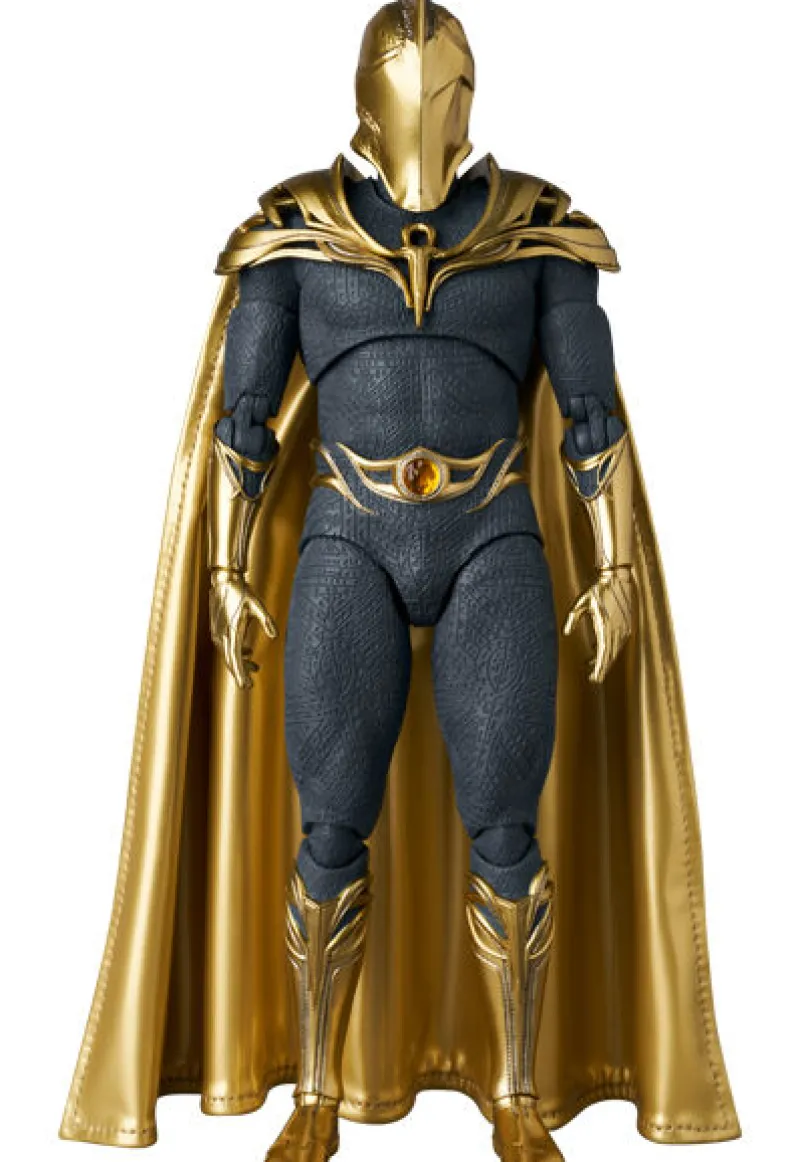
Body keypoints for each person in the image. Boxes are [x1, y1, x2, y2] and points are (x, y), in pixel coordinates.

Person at [60, 5, 739, 1161]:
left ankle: (515, 1094)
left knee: (506, 821)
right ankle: (316, 1091)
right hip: (347, 537)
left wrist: (614, 558)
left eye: (444, 91)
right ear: (366, 101)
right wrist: (224, 564)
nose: (426, 114)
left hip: (491, 537)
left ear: (469, 98)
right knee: (329, 822)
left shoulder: (538, 229)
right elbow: (243, 424)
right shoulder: (291, 231)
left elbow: (589, 416)